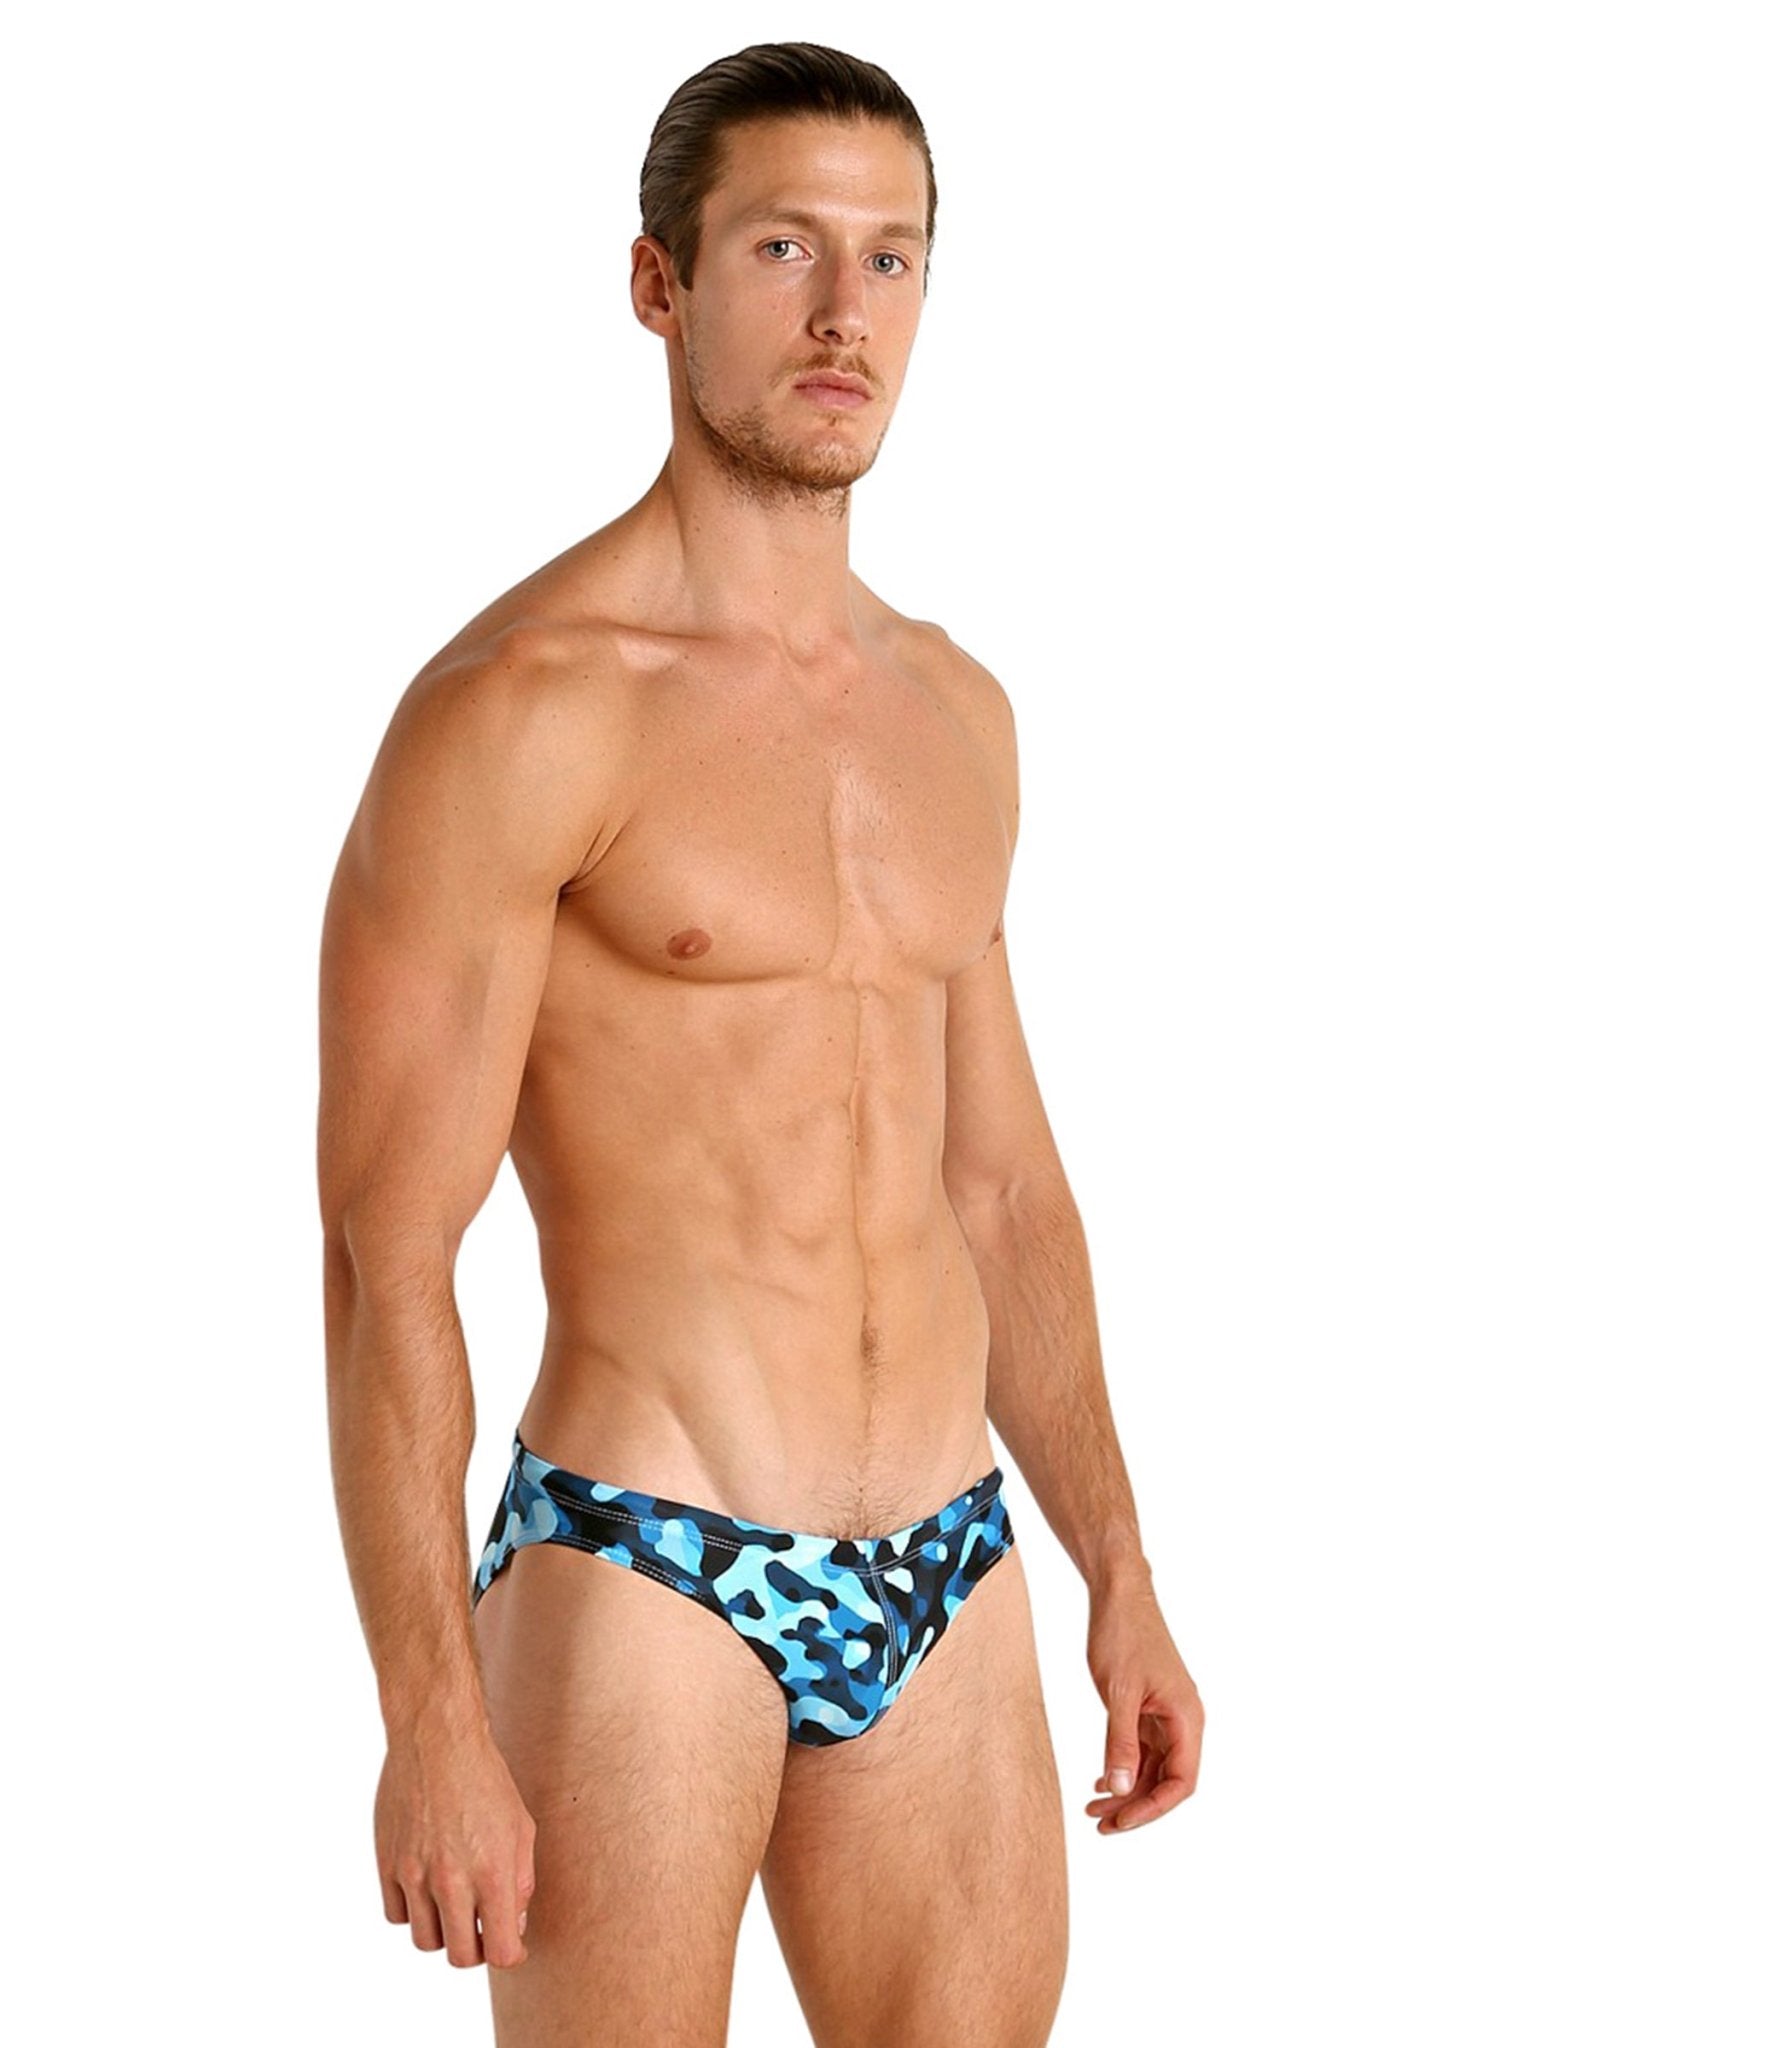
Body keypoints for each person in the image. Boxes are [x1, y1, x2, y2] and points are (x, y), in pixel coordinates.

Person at [318, 40, 1203, 2046]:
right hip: (650, 1558)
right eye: (785, 247)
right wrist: (426, 1712)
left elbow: (1002, 1186)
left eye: (891, 260)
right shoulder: (524, 708)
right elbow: (385, 1248)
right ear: (659, 283)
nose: (841, 316)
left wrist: (1119, 1565)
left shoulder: (955, 712)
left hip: (949, 1563)